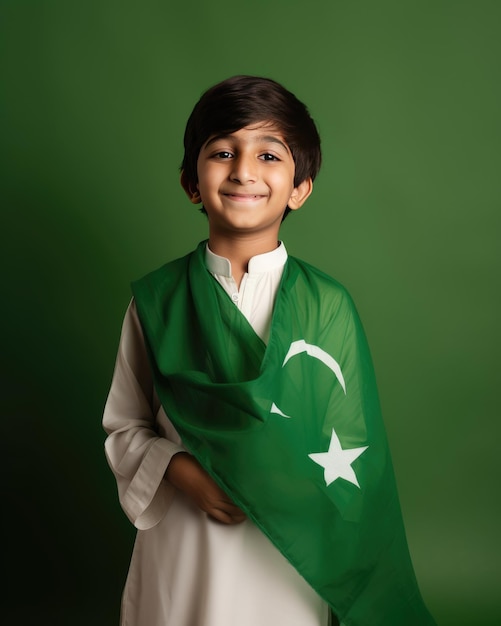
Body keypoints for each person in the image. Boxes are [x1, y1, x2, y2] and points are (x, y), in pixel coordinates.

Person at [103, 75, 436, 626]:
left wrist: (278, 487)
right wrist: (184, 471)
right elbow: (125, 425)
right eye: (223, 152)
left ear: (300, 187)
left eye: (269, 155)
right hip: (185, 541)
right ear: (192, 182)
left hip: (289, 546)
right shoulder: (157, 302)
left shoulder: (327, 305)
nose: (244, 171)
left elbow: (349, 448)